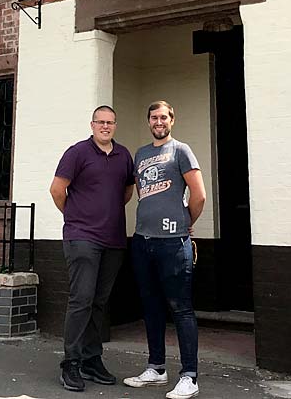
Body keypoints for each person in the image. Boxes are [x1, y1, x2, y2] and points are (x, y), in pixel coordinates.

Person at [123, 101, 206, 399]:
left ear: (172, 120)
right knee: (151, 306)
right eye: (154, 117)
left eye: (163, 117)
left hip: (174, 242)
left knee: (181, 308)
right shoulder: (141, 154)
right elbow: (138, 192)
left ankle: (190, 375)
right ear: (148, 121)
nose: (158, 122)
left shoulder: (181, 150)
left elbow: (199, 195)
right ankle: (157, 367)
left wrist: (185, 222)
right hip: (142, 241)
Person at [49, 105, 135, 392]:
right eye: (101, 122)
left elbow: (126, 191)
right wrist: (75, 217)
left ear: (115, 125)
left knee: (99, 302)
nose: (105, 127)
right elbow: (57, 190)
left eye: (110, 122)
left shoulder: (124, 155)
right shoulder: (77, 152)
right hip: (82, 236)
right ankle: (70, 363)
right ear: (92, 125)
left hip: (113, 240)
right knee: (81, 300)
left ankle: (91, 359)